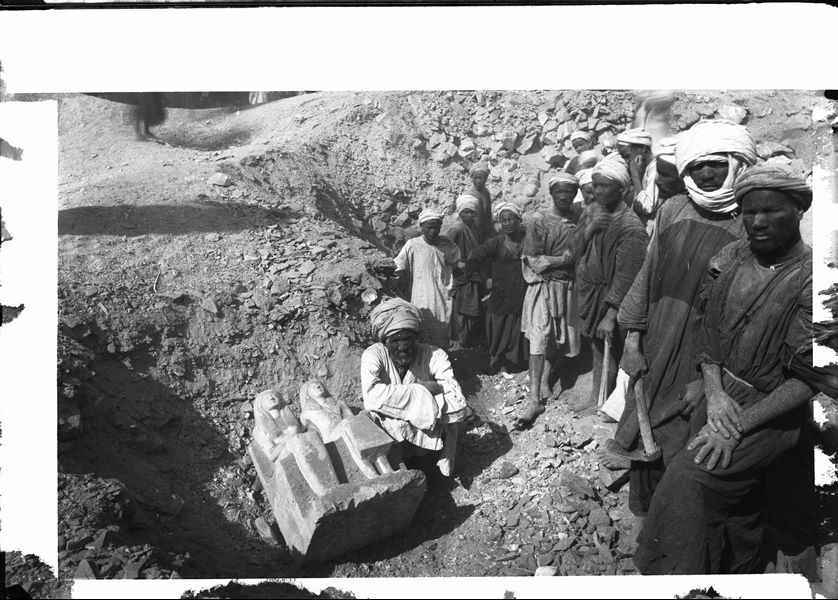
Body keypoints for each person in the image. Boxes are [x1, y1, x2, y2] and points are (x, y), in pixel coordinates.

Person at [633, 164, 838, 575]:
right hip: (721, 397)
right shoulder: (731, 257)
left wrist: (739, 424)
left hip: (769, 411)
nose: (757, 222)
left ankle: (675, 579)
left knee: (687, 485)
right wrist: (714, 389)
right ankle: (737, 572)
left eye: (771, 211)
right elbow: (707, 335)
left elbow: (809, 380)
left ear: (798, 211)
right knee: (739, 506)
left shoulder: (816, 282)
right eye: (749, 212)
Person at [607, 120, 759, 542]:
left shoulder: (751, 225)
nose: (705, 175)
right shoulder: (673, 209)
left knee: (685, 439)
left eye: (715, 165)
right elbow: (646, 276)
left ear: (736, 164)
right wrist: (633, 341)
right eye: (697, 167)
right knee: (644, 425)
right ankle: (645, 520)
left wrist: (711, 380)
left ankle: (673, 531)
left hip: (705, 357)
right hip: (657, 341)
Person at [572, 154, 649, 412]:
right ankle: (596, 396)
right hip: (593, 292)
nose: (597, 191)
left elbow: (627, 275)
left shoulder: (631, 227)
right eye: (595, 185)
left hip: (614, 299)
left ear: (623, 189)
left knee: (613, 347)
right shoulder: (596, 213)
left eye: (604, 185)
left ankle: (614, 405)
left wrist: (611, 313)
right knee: (596, 344)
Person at [360, 298, 469, 477]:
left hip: (429, 433)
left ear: (416, 339)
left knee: (453, 410)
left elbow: (457, 400)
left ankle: (445, 458)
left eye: (407, 340)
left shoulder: (434, 354)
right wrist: (424, 390)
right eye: (395, 341)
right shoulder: (373, 354)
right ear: (385, 342)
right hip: (393, 438)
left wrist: (399, 403)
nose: (402, 347)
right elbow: (372, 397)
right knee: (371, 417)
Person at [517, 174, 582, 427]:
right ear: (551, 193)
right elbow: (535, 259)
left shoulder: (579, 220)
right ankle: (533, 398)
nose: (565, 196)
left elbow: (581, 254)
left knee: (563, 339)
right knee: (540, 337)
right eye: (560, 192)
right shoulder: (539, 220)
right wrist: (562, 260)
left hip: (567, 288)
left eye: (570, 192)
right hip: (543, 287)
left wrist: (566, 259)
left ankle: (545, 376)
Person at [467, 201, 529, 376]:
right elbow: (474, 256)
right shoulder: (496, 242)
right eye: (504, 220)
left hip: (521, 292)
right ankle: (498, 362)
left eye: (511, 219)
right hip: (501, 294)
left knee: (518, 327)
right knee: (499, 328)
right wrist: (484, 278)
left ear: (519, 220)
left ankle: (516, 362)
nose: (508, 223)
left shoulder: (527, 240)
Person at [394, 208, 460, 350]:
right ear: (421, 227)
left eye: (436, 228)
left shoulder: (446, 244)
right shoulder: (413, 245)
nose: (433, 232)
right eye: (429, 228)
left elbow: (456, 261)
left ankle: (441, 365)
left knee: (441, 331)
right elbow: (399, 264)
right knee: (422, 331)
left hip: (442, 296)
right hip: (421, 297)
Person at [445, 194, 484, 350]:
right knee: (460, 310)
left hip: (472, 274)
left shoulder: (474, 228)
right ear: (460, 212)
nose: (469, 215)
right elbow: (444, 250)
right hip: (460, 277)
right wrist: (456, 263)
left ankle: (465, 341)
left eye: (472, 212)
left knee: (471, 311)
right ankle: (457, 343)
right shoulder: (456, 229)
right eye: (466, 212)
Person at [633, 135, 686, 236]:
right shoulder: (667, 207)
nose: (657, 181)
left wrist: (635, 176)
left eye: (665, 175)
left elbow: (647, 207)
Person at [616, 128, 655, 221]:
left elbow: (648, 207)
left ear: (643, 148)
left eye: (627, 156)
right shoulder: (644, 168)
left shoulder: (656, 168)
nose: (627, 161)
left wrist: (635, 177)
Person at [467, 162, 495, 243]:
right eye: (476, 178)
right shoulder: (470, 194)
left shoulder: (486, 192)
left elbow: (488, 214)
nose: (478, 181)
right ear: (472, 178)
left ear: (486, 179)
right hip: (473, 230)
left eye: (481, 178)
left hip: (485, 228)